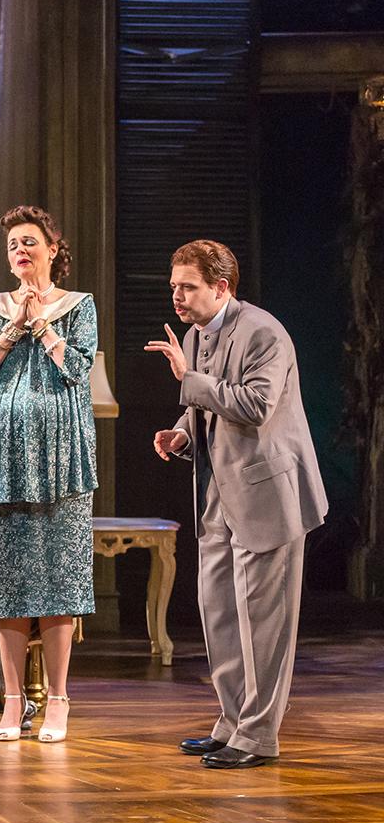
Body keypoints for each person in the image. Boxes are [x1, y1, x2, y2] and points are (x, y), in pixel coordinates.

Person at [145, 240, 326, 770]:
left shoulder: (264, 332)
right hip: (218, 496)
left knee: (264, 624)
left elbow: (255, 404)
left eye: (187, 287)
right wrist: (182, 432)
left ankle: (259, 734)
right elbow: (211, 402)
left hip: (267, 495)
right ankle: (232, 720)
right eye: (174, 285)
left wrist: (187, 381)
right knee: (220, 612)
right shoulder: (200, 333)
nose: (176, 296)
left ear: (221, 287)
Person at [0, 205, 98, 744]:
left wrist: (41, 322)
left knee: (60, 578)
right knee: (13, 581)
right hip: (5, 451)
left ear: (52, 249)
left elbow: (79, 370)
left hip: (60, 451)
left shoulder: (78, 305)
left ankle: (59, 699)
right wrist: (12, 327)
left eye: (30, 242)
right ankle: (14, 701)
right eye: (14, 244)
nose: (21, 251)